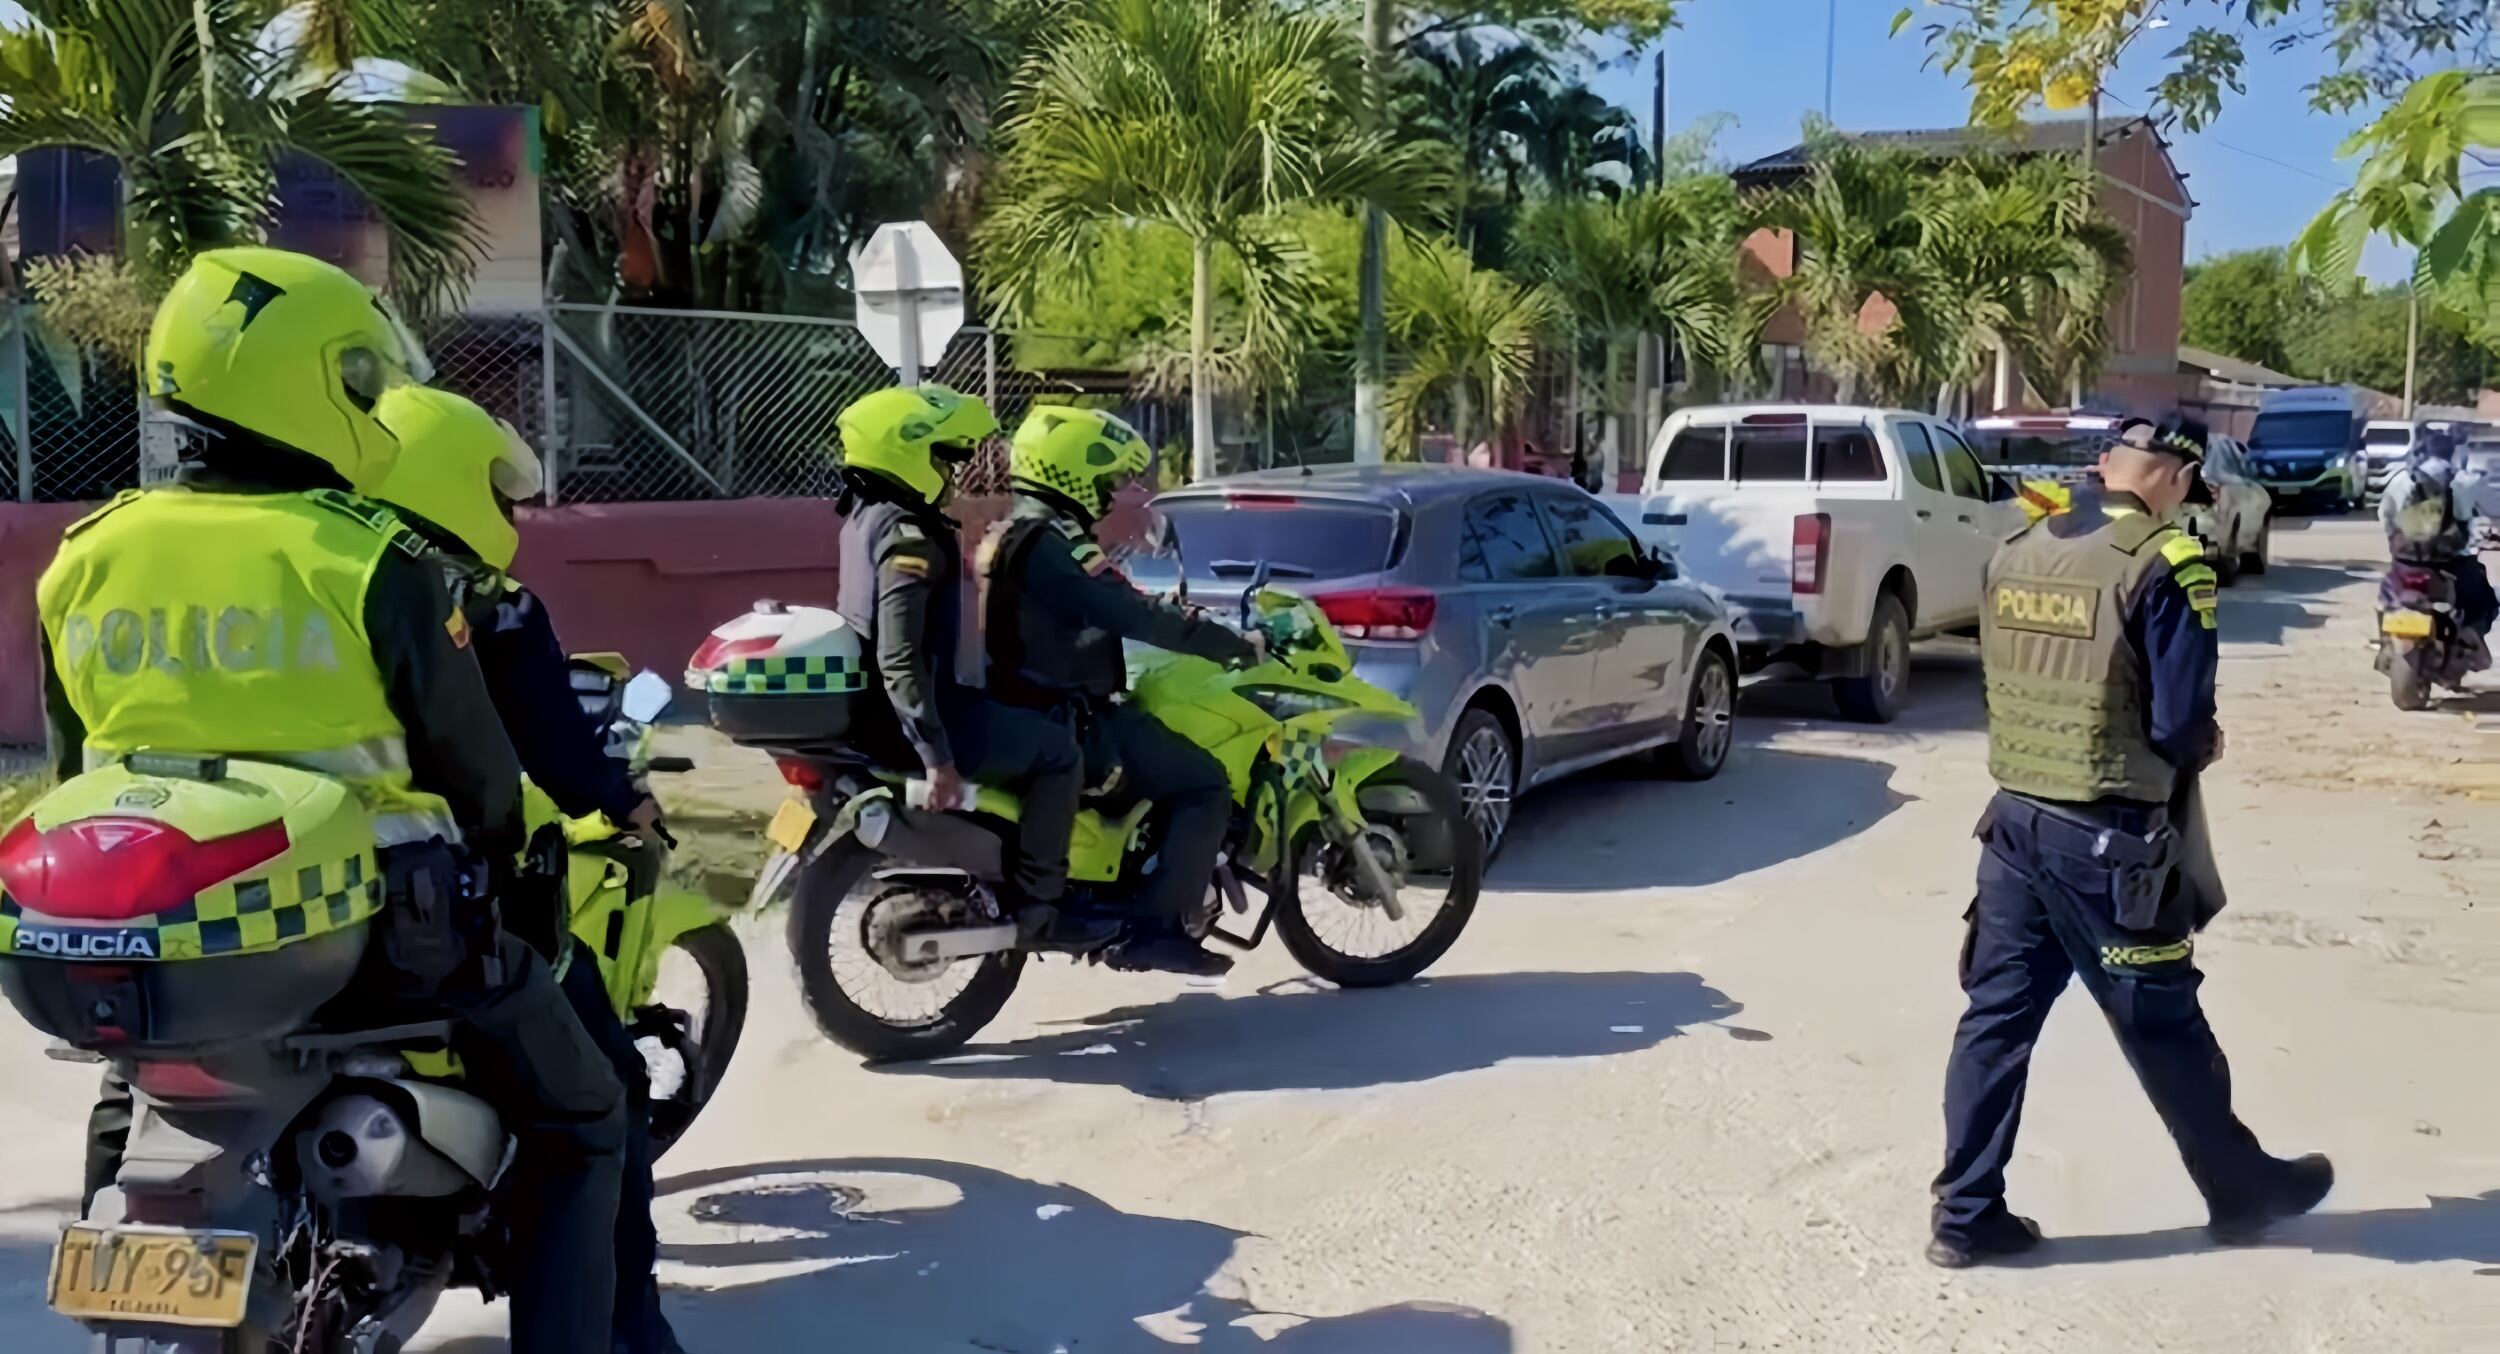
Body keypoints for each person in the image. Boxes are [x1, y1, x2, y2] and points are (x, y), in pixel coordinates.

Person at [42, 248, 624, 1354]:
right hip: (375, 942)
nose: (365, 401)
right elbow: (476, 774)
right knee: (583, 1116)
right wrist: (503, 865)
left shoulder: (83, 557)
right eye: (354, 378)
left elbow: (80, 769)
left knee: (132, 1088)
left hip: (164, 943)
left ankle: (125, 1268)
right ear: (295, 381)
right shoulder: (368, 560)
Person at [1930, 413, 2332, 1268]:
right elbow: (2179, 723)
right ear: (2178, 479)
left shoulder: (2020, 546)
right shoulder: (2166, 560)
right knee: (2162, 1023)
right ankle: (2242, 1190)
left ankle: (1964, 1216)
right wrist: (2202, 745)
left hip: (2014, 824)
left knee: (1995, 1021)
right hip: (2108, 841)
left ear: (2107, 463)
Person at [366, 386, 683, 1354]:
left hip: (251, 915)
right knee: (602, 1093)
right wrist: (618, 796)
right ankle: (624, 1329)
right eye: (499, 494)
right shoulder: (476, 600)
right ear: (456, 480)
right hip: (429, 918)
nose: (509, 516)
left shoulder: (298, 565)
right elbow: (540, 756)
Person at [979, 406, 1264, 977]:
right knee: (1204, 783)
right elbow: (1128, 608)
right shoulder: (1052, 543)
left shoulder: (1018, 530)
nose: (1113, 493)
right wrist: (1231, 643)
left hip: (1025, 707)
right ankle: (1156, 931)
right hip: (1063, 718)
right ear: (1071, 473)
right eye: (1107, 479)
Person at [832, 384, 1108, 949]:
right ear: (907, 453)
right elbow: (899, 657)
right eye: (943, 458)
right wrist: (936, 758)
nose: (952, 473)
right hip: (919, 720)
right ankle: (1043, 907)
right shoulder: (909, 538)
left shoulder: (865, 517)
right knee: (1059, 753)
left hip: (885, 714)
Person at [2378, 427, 2498, 637]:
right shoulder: (2460, 481)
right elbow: (2464, 516)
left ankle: (2386, 635)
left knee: (2388, 597)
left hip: (2406, 560)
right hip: (2450, 563)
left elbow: (2385, 515)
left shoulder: (2401, 479)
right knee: (2482, 601)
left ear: (2423, 452)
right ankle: (2469, 640)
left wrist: (2401, 539)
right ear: (2452, 454)